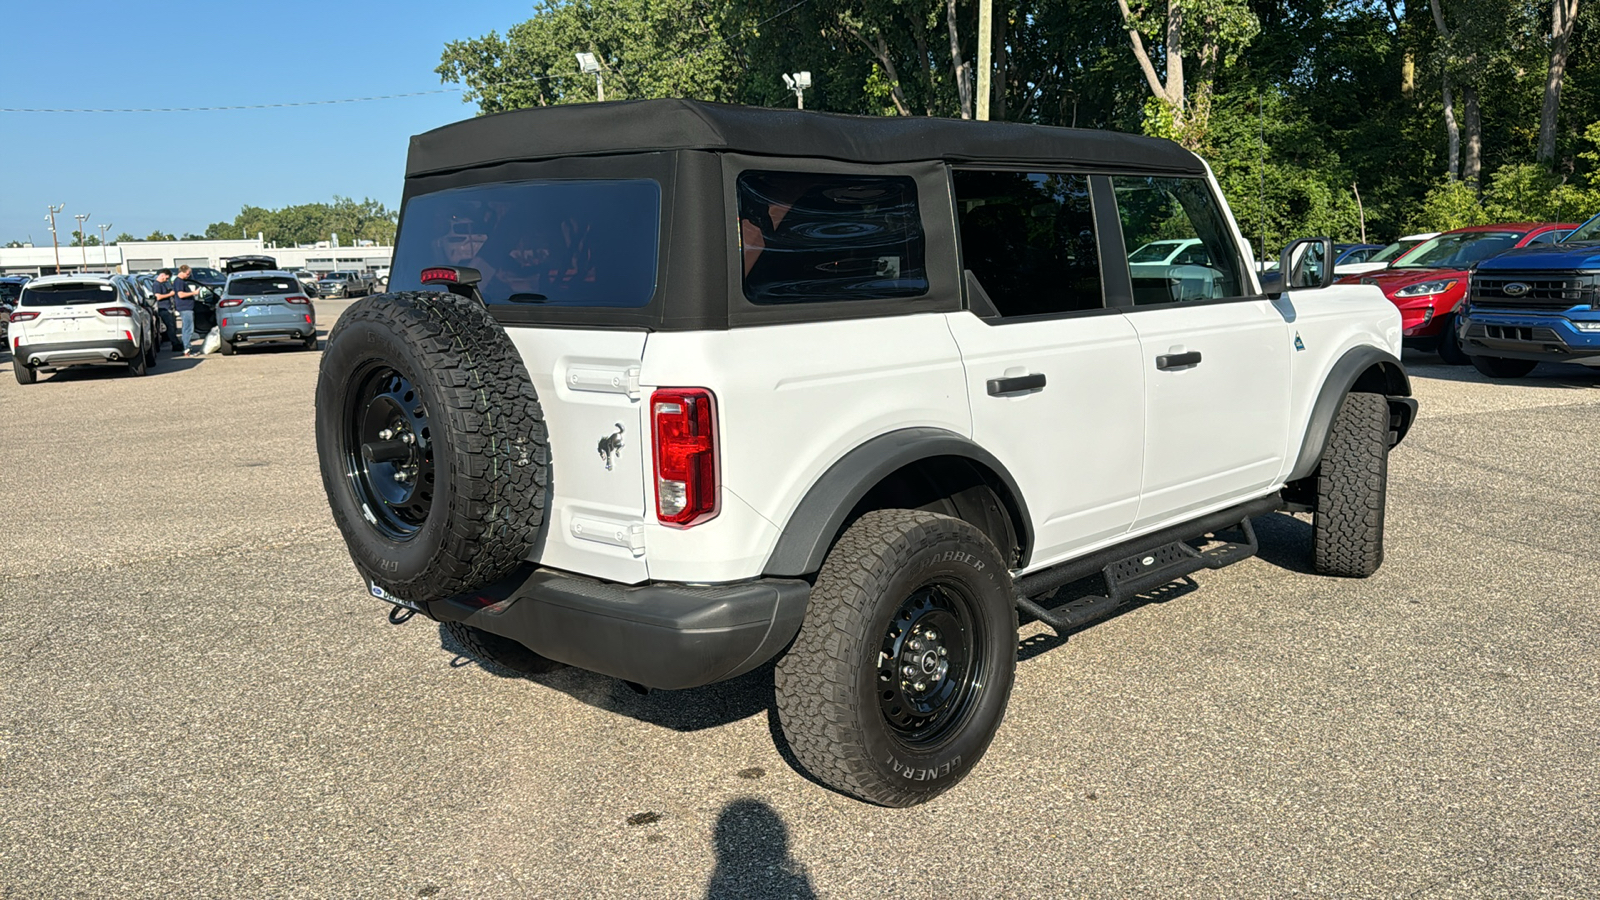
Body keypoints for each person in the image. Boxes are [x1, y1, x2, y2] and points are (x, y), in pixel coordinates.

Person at [173, 265, 201, 357]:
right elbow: (180, 294)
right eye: (187, 274)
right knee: (188, 329)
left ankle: (187, 348)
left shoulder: (180, 281)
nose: (188, 276)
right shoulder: (179, 282)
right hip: (185, 308)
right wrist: (194, 293)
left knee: (187, 328)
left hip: (186, 307)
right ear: (182, 272)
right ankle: (187, 349)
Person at [151, 269, 182, 353]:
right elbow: (158, 297)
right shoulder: (157, 285)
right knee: (170, 327)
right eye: (166, 278)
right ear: (162, 275)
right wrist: (170, 294)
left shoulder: (163, 284)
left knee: (172, 327)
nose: (167, 280)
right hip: (163, 308)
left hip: (168, 308)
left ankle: (176, 342)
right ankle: (175, 344)